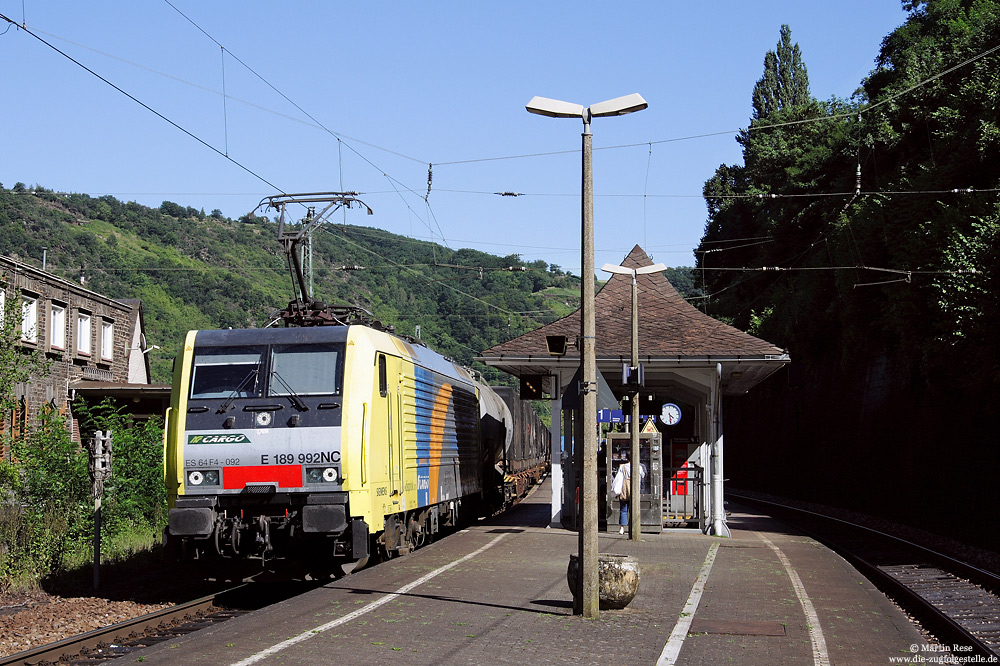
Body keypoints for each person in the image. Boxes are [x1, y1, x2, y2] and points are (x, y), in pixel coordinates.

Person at [613, 455, 646, 535]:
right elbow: (643, 476)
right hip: (635, 490)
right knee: (634, 509)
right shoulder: (639, 467)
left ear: (627, 458)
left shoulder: (623, 467)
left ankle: (622, 528)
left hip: (625, 490)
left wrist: (616, 491)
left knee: (623, 510)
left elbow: (618, 480)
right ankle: (634, 526)